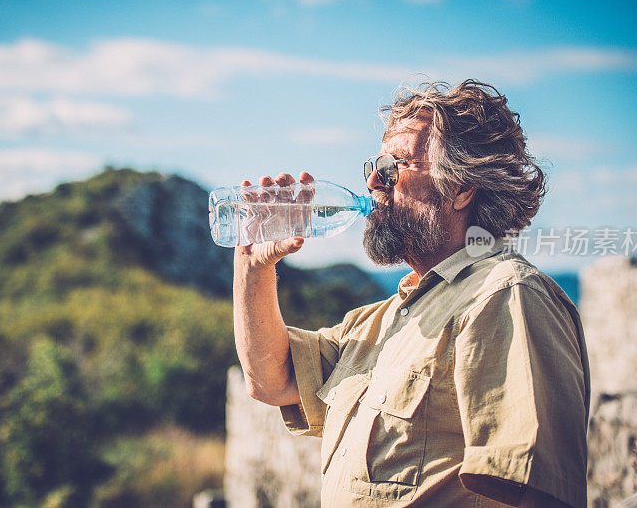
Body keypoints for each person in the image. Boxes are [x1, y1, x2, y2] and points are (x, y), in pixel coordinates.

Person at [232, 80, 590, 507]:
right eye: (375, 164)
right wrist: (253, 268)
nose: (372, 181)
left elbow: (537, 495)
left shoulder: (505, 296)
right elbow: (271, 380)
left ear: (461, 189)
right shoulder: (382, 319)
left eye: (395, 165)